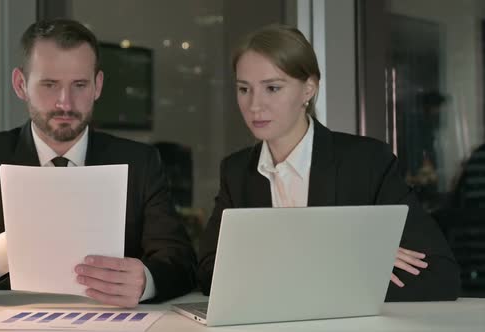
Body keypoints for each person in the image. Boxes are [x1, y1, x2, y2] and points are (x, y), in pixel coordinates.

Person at [0, 18, 196, 307]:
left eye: (79, 84)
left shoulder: (140, 162)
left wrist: (146, 282)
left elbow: (181, 261)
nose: (65, 103)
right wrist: (5, 250)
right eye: (50, 84)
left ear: (98, 86)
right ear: (20, 84)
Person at [197, 24, 460, 301]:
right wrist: (345, 258)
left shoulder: (365, 162)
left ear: (308, 89)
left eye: (272, 88)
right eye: (244, 89)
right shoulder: (237, 171)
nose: (254, 105)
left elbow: (439, 275)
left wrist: (274, 270)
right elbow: (208, 272)